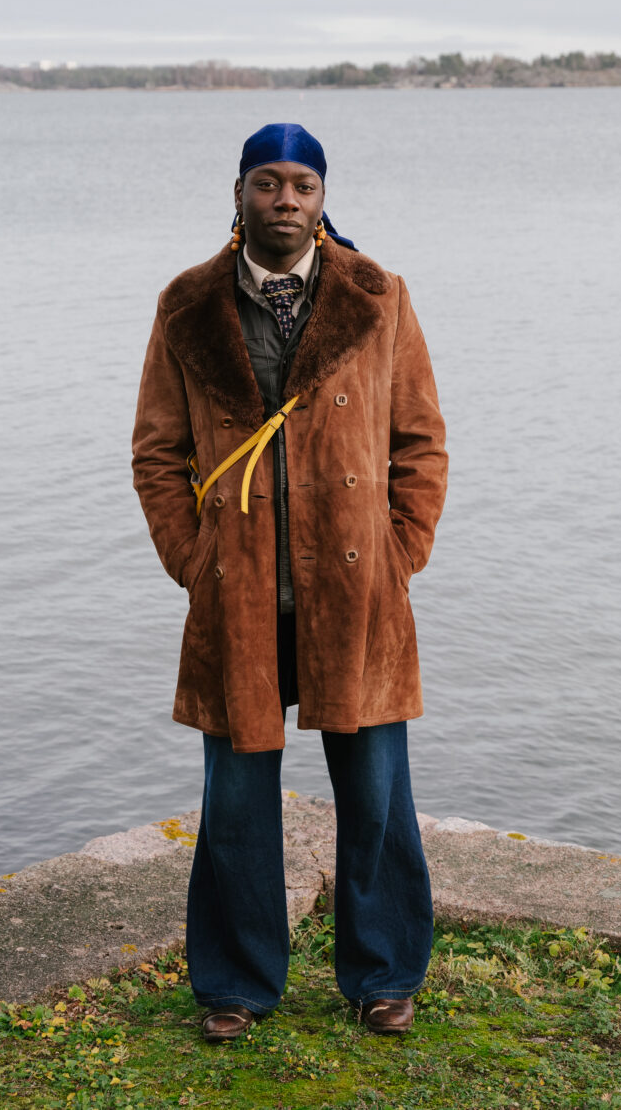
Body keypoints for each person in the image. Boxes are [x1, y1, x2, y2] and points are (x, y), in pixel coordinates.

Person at [131, 122, 448, 1042]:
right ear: (237, 193)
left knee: (377, 794)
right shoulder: (186, 304)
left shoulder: (378, 295)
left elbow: (419, 440)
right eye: (267, 183)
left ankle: (384, 974)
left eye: (302, 185)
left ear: (321, 198)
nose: (285, 201)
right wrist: (195, 560)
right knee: (234, 799)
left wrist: (400, 551)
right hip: (237, 591)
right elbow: (158, 451)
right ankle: (235, 983)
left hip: (358, 591)